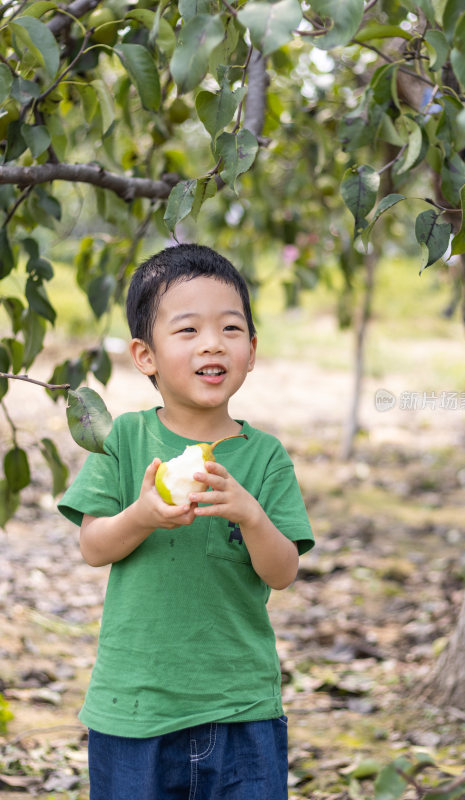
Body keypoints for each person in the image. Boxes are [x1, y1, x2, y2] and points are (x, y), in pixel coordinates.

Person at [58, 243, 314, 800]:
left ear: (251, 348)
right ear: (144, 355)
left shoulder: (264, 455)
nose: (212, 344)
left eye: (229, 328)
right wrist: (144, 515)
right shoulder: (122, 440)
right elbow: (94, 545)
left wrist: (250, 515)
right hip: (135, 711)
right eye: (187, 330)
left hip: (242, 709)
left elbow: (283, 570)